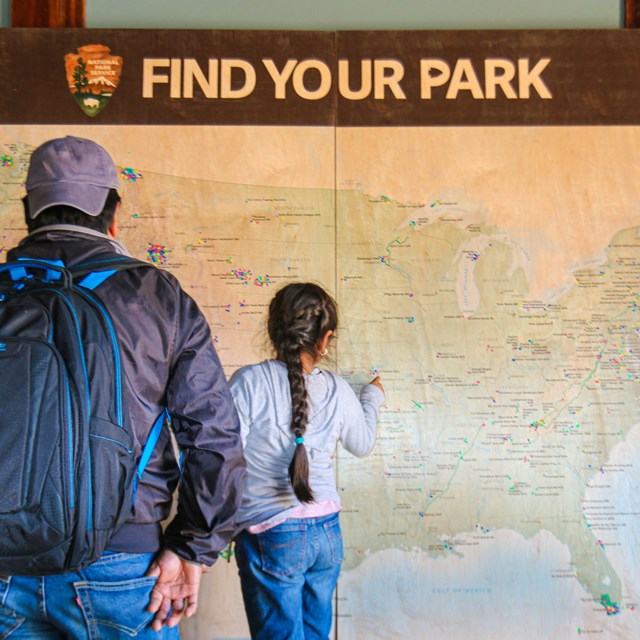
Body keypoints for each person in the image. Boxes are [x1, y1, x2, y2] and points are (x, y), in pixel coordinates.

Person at [0, 135, 246, 639]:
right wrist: (190, 548)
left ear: (29, 211)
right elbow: (214, 436)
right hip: (124, 564)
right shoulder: (159, 297)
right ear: (114, 214)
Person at [230, 282, 385, 640]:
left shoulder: (249, 382)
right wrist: (372, 399)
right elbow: (361, 444)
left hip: (272, 532)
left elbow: (225, 458)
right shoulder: (337, 388)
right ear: (325, 339)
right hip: (327, 532)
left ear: (273, 330)